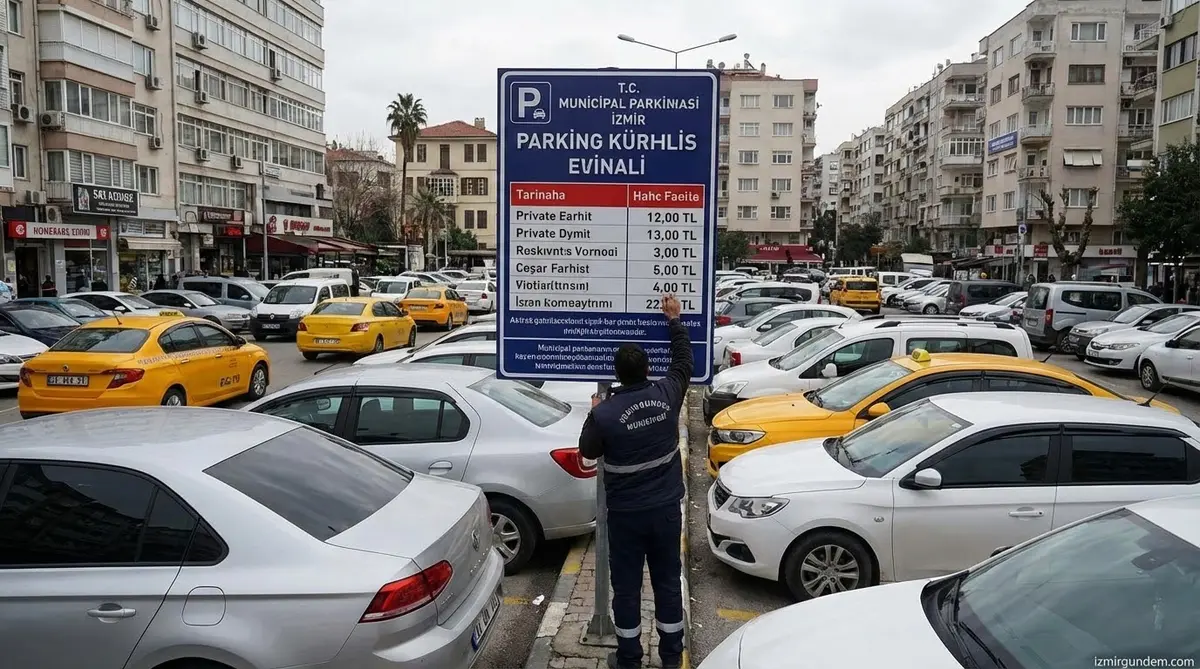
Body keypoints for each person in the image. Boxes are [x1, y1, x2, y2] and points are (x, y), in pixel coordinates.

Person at [579, 293, 692, 669]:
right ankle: (672, 657)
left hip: (626, 517)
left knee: (626, 590)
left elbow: (588, 451)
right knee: (667, 584)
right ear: (647, 371)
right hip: (664, 513)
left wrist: (593, 412)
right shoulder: (667, 393)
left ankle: (628, 658)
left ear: (617, 375)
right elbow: (683, 362)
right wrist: (673, 320)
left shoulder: (607, 414)